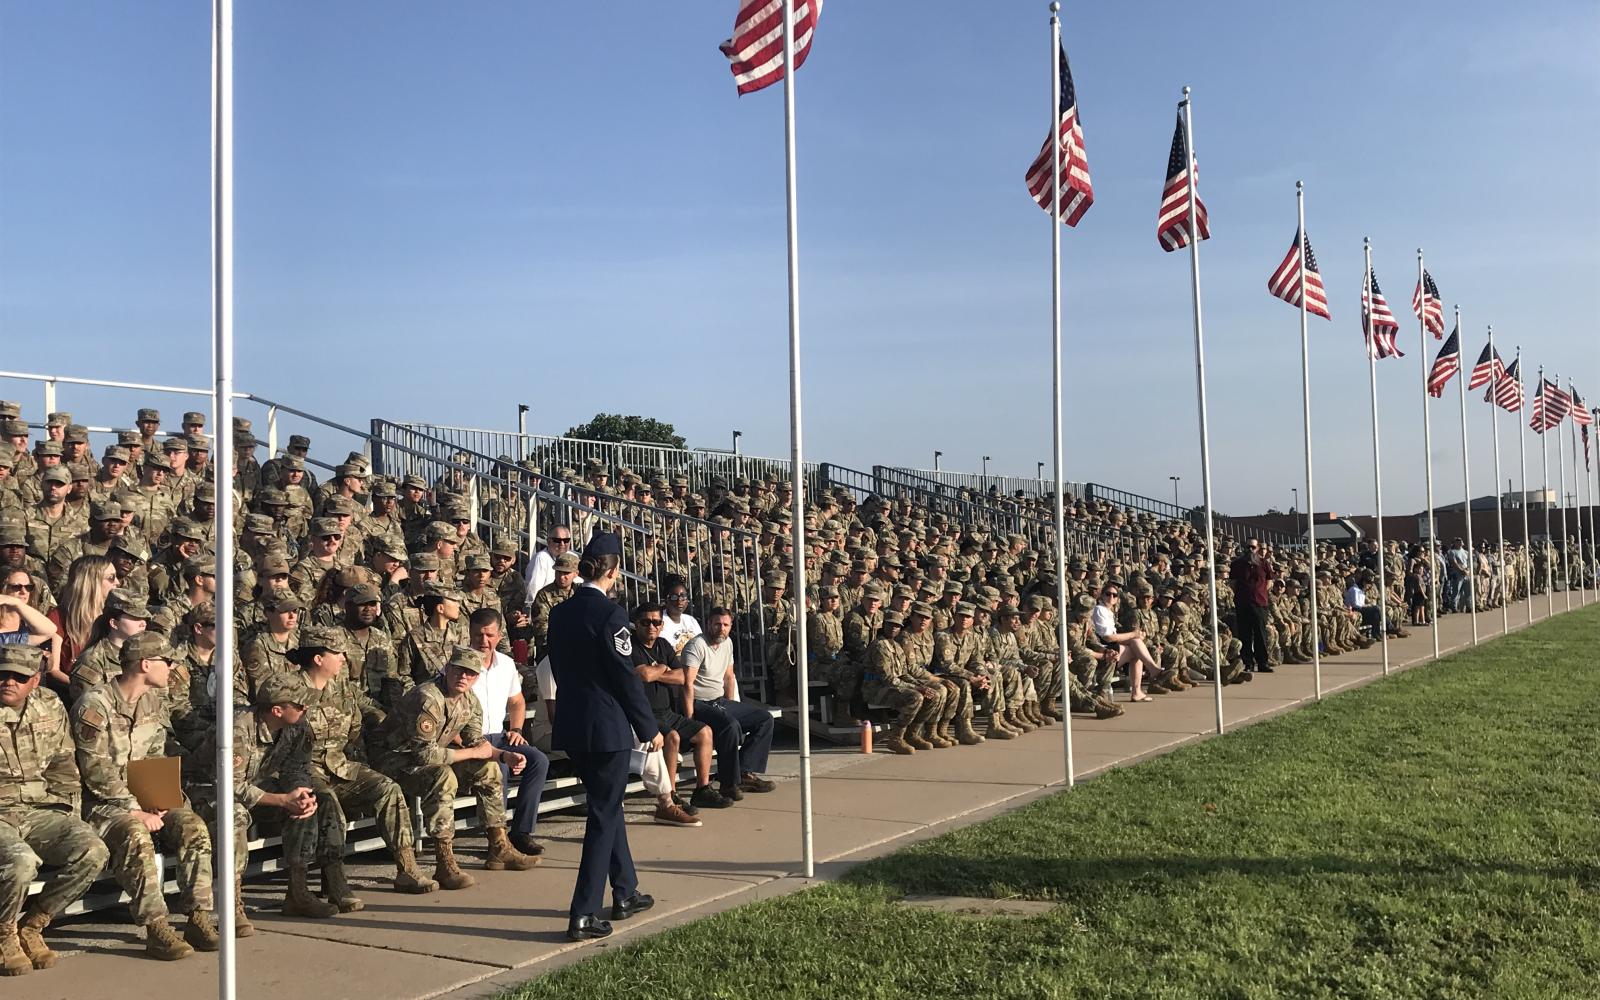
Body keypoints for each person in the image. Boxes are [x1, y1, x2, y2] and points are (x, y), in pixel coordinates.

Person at [72, 632, 216, 960]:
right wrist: (135, 809)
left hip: (141, 798)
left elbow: (153, 755)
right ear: (145, 664)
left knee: (192, 826)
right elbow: (95, 771)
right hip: (101, 804)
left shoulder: (152, 701)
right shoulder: (94, 705)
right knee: (136, 833)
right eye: (167, 661)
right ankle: (156, 927)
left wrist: (160, 796)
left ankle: (198, 916)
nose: (172, 668)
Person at [546, 531, 660, 941]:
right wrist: (648, 727)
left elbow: (559, 667)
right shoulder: (611, 615)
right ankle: (584, 912)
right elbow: (625, 677)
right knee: (602, 815)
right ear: (613, 571)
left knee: (607, 808)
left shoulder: (559, 613)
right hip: (606, 727)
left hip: (574, 721)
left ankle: (625, 891)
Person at [378, 646, 540, 889]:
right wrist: (475, 753)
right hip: (395, 759)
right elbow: (424, 755)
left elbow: (476, 742)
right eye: (459, 670)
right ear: (448, 669)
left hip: (430, 758)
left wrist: (504, 756)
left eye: (471, 673)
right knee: (443, 777)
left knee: (489, 769)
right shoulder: (428, 698)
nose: (464, 677)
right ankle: (444, 862)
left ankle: (499, 847)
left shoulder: (469, 700)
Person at [0, 644, 110, 977]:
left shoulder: (49, 704)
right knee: (22, 862)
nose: (9, 681)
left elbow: (63, 765)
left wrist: (69, 817)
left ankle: (33, 924)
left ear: (35, 680)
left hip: (39, 808)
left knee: (92, 850)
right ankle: (4, 934)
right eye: (3, 674)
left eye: (19, 677)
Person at [467, 608, 550, 857]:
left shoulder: (505, 664)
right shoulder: (459, 664)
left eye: (489, 635)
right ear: (469, 634)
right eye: (478, 635)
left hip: (500, 734)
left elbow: (517, 701)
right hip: (472, 740)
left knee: (539, 760)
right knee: (500, 768)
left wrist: (516, 729)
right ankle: (498, 838)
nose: (484, 641)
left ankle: (521, 831)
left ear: (499, 635)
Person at [1090, 584, 1156, 702]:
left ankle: (1140, 687)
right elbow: (1107, 637)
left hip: (1110, 645)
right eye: (1108, 594)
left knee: (1136, 643)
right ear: (1102, 595)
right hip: (1102, 648)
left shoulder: (1108, 612)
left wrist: (1135, 636)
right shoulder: (1099, 609)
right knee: (1136, 648)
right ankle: (1150, 673)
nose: (1111, 597)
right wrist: (1133, 634)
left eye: (1114, 595)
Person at [1227, 538, 1274, 674]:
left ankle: (1263, 663)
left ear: (1257, 548)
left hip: (1260, 603)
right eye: (1248, 547)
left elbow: (1269, 582)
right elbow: (1233, 583)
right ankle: (1248, 663)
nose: (1250, 550)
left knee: (1261, 634)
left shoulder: (1264, 563)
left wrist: (1260, 592)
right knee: (1245, 634)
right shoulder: (1237, 564)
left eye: (1253, 547)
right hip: (1243, 603)